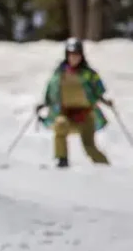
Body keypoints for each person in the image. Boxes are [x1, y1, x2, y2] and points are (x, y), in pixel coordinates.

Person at [36, 37, 112, 168]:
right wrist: (44, 104)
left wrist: (106, 101)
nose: (74, 58)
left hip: (86, 116)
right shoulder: (59, 74)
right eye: (71, 55)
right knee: (59, 125)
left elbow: (98, 92)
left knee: (89, 146)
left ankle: (106, 167)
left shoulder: (89, 74)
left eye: (76, 55)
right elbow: (52, 93)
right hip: (65, 114)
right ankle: (62, 160)